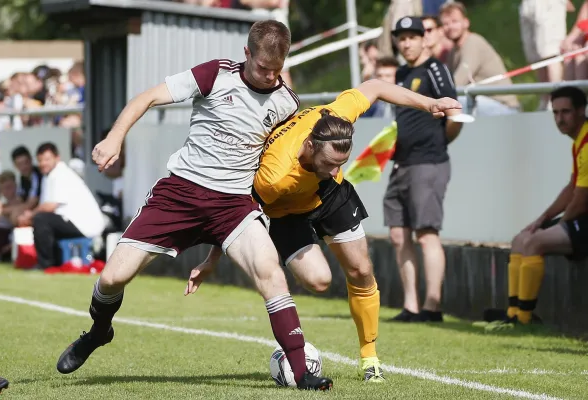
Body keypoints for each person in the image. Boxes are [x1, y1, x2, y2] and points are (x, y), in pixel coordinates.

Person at [55, 20, 333, 391]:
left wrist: (214, 257)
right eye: (261, 67)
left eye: (276, 70)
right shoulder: (214, 74)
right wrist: (114, 139)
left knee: (271, 272)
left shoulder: (287, 104)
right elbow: (147, 97)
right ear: (246, 53)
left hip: (233, 205)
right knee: (112, 278)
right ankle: (98, 332)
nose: (269, 76)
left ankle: (303, 373)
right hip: (180, 195)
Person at [185, 80, 462, 381]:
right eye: (330, 163)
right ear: (308, 146)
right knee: (319, 281)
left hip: (331, 197)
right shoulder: (274, 177)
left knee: (361, 270)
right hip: (287, 214)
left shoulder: (336, 120)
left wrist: (429, 104)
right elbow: (238, 209)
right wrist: (212, 259)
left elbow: (377, 86)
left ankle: (369, 357)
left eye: (340, 163)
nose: (335, 170)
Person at [483, 86, 588, 332]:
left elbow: (582, 199)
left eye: (566, 112)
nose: (560, 119)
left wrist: (559, 225)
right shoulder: (579, 141)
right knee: (521, 239)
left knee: (534, 243)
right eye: (555, 113)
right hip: (582, 216)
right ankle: (513, 313)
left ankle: (524, 319)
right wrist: (542, 219)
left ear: (582, 111)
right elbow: (573, 186)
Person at [384, 16, 463, 323]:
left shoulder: (435, 68)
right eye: (401, 38)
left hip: (428, 163)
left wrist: (442, 139)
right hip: (400, 162)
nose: (406, 43)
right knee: (398, 235)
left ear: (424, 39)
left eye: (412, 37)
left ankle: (432, 307)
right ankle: (411, 306)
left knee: (426, 234)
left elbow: (455, 113)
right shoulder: (402, 72)